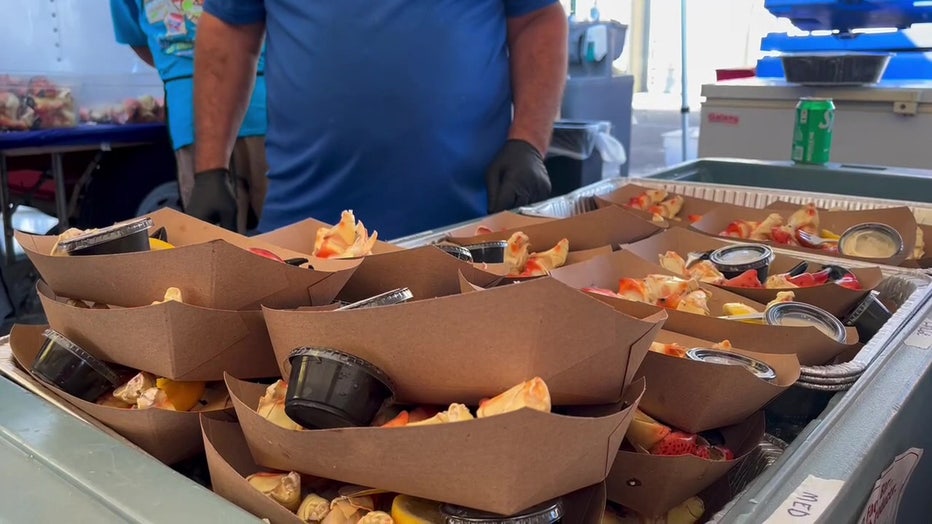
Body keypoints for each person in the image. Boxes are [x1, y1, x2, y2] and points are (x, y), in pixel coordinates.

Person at [191, 1, 568, 240]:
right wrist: (210, 169)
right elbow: (230, 31)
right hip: (307, 233)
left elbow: (537, 17)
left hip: (468, 229)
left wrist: (529, 142)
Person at [109, 0, 269, 234]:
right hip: (251, 96)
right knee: (287, 238)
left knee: (214, 239)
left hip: (203, 108)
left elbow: (138, 39)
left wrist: (183, 68)